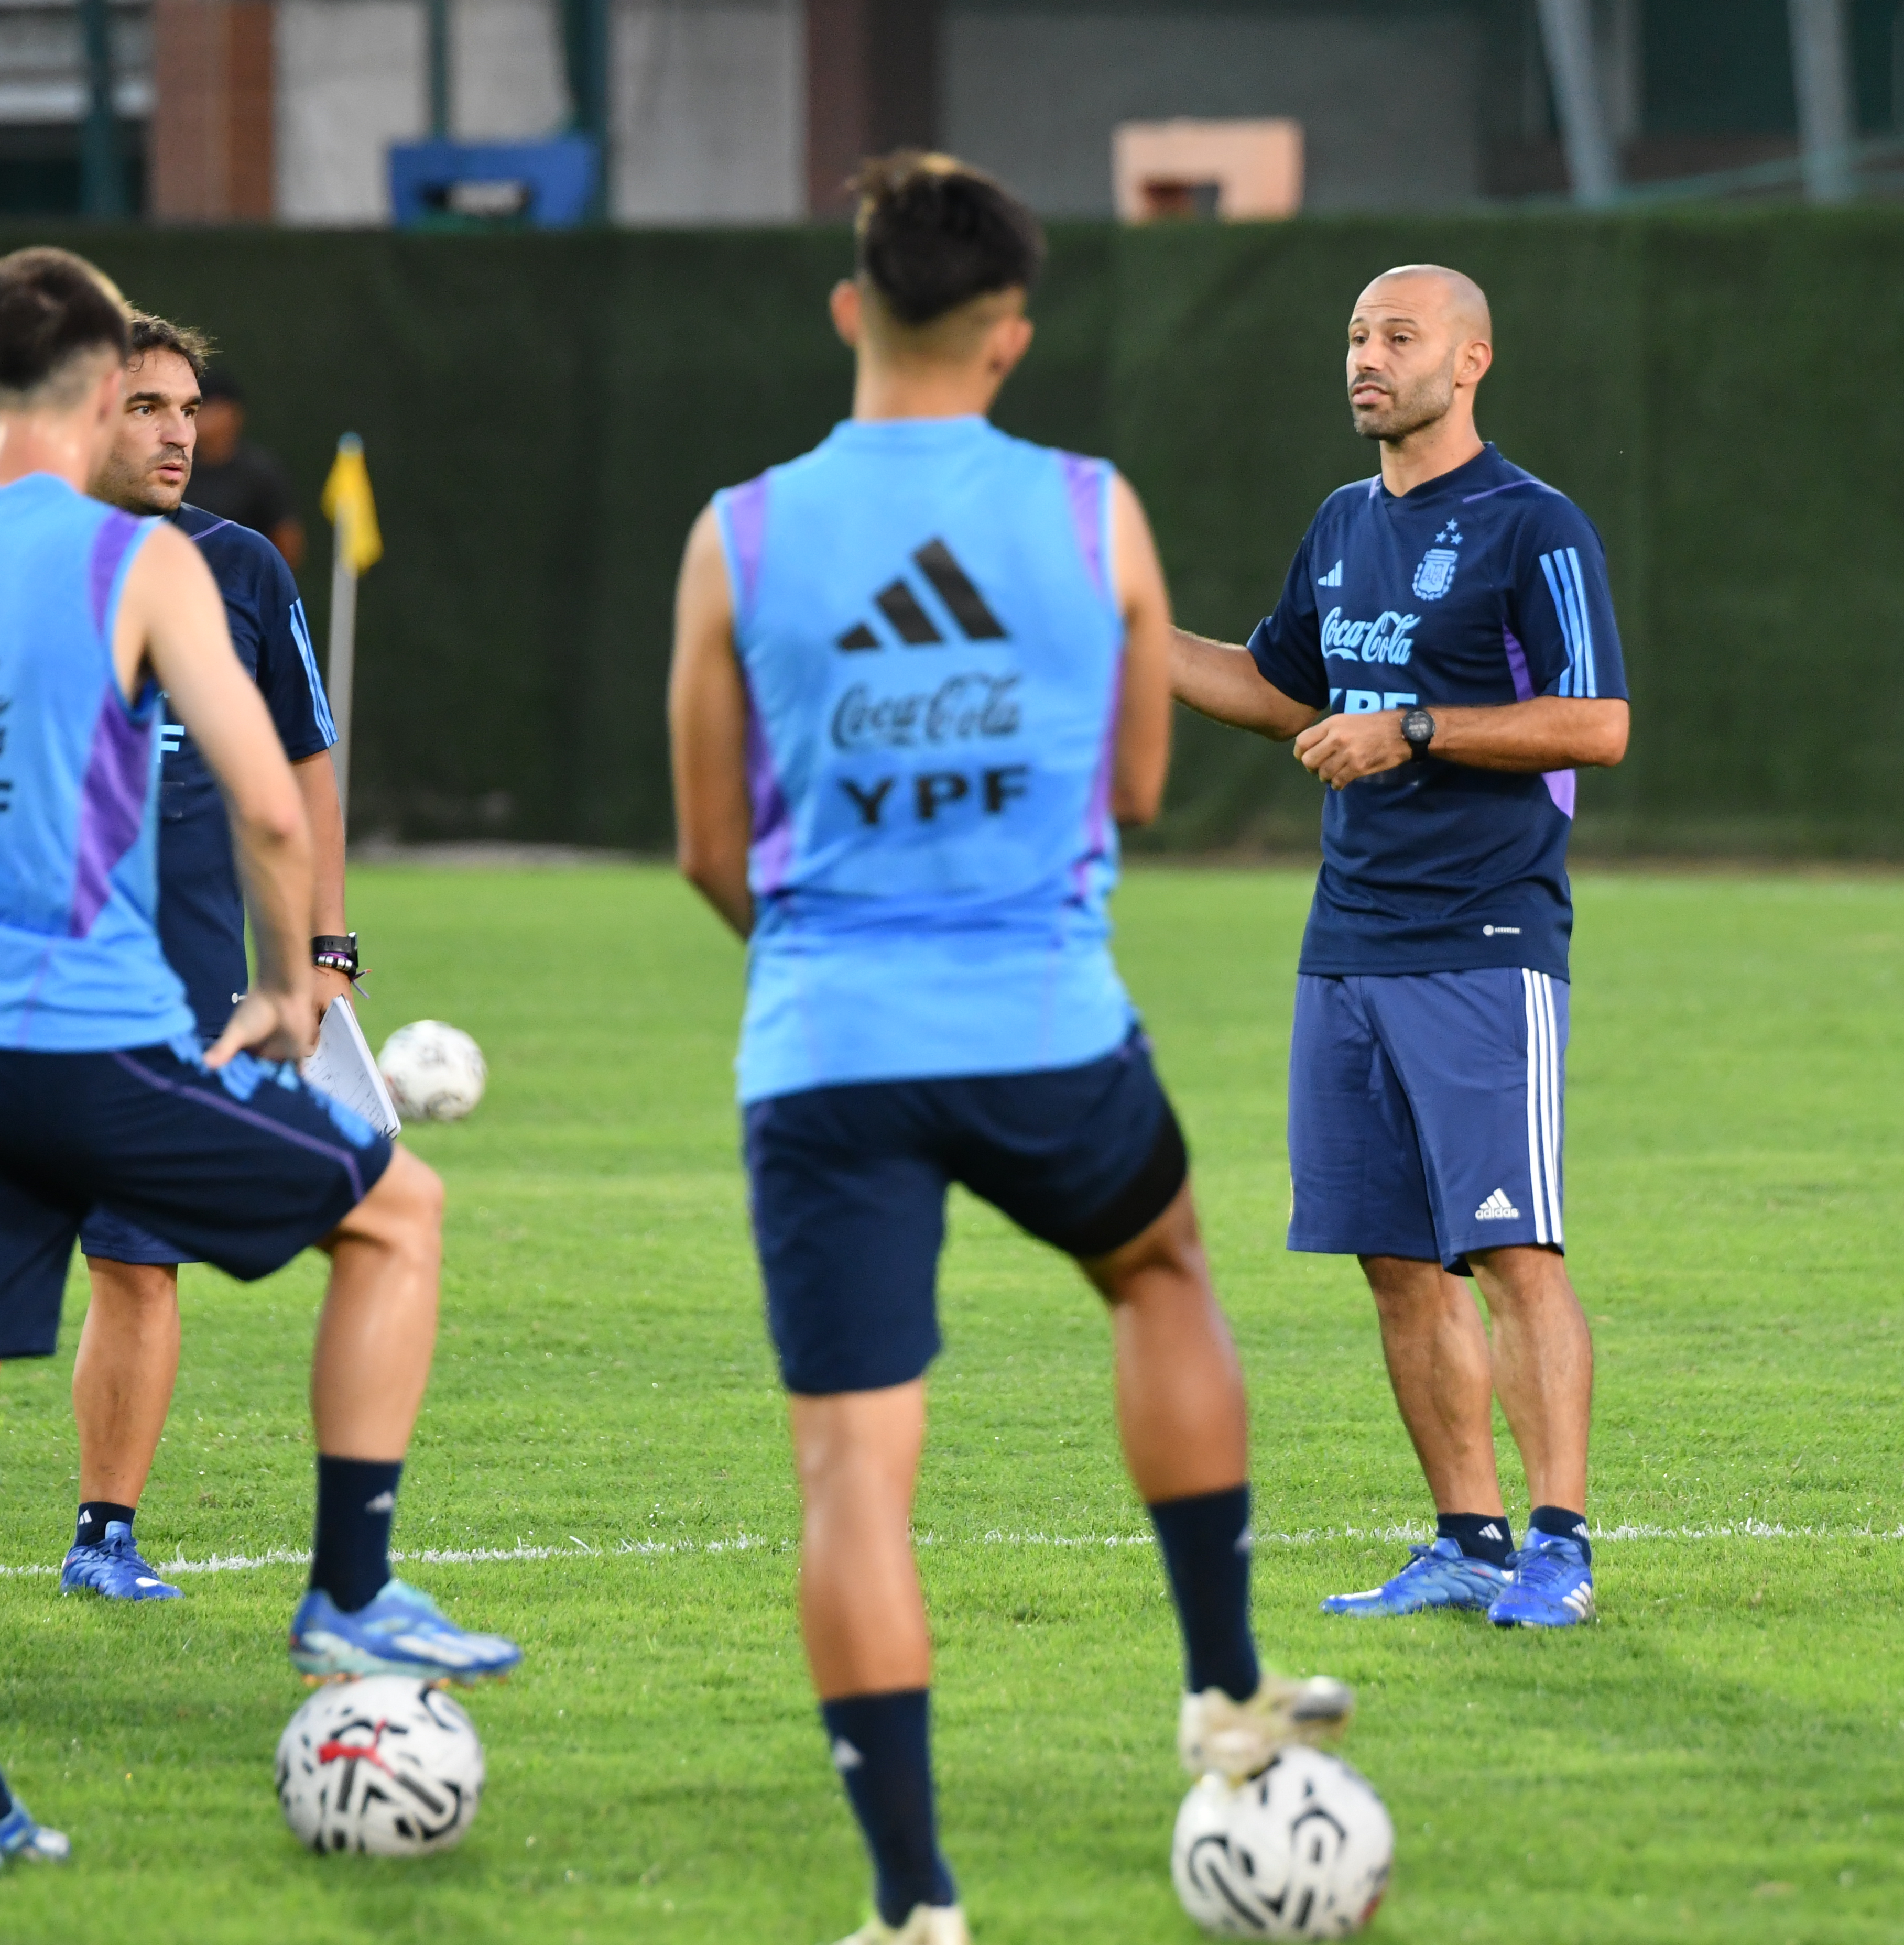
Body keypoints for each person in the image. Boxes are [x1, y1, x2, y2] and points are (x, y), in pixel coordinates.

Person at [666, 155, 1349, 1945]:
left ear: (849, 310)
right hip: (1043, 1023)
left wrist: (824, 947)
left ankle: (912, 1907)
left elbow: (701, 847)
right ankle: (1221, 1690)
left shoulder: (737, 531)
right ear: (1011, 337)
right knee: (1159, 1268)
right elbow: (1132, 785)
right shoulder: (1086, 512)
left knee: (851, 1471)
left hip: (820, 1046)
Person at [0, 246, 518, 1874]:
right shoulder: (134, 566)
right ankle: (350, 1585)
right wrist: (293, 988)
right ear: (90, 395)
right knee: (396, 1215)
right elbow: (275, 797)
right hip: (79, 1037)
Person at [1163, 263, 1630, 1630]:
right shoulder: (1340, 523)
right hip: (1348, 939)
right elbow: (1278, 686)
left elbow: (1598, 723)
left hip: (1485, 937)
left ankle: (1560, 1547)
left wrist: (1415, 726)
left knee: (1513, 1251)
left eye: (1400, 337)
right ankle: (1468, 1541)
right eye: (1358, 336)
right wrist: (1121, 637)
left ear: (1472, 360)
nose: (1369, 359)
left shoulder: (1534, 527)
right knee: (1396, 1259)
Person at [59, 309, 354, 1603]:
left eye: (187, 408)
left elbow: (302, 763)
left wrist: (324, 945)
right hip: (2, 989)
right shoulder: (7, 567)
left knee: (137, 1258)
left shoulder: (241, 569)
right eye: (145, 408)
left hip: (175, 996)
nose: (179, 432)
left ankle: (102, 1536)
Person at [183, 364, 304, 572]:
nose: (199, 417)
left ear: (231, 413)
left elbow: (287, 542)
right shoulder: (179, 468)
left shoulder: (260, 473)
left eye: (207, 407)